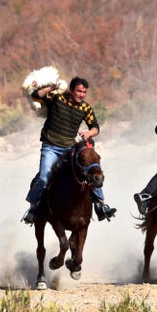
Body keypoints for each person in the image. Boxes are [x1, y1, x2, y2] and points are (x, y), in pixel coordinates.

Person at [21, 76, 116, 224]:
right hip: (50, 147)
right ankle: (34, 208)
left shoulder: (85, 108)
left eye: (84, 92)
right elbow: (36, 95)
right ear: (71, 90)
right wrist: (52, 87)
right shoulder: (57, 98)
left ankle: (100, 205)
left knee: (91, 166)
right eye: (79, 91)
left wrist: (89, 133)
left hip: (70, 148)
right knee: (44, 177)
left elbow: (95, 127)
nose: (81, 95)